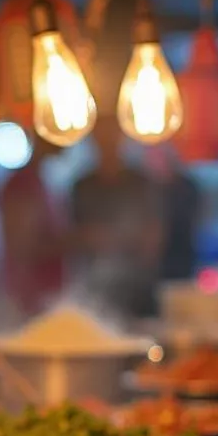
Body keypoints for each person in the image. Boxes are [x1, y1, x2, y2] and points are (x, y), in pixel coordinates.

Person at [69, 114, 163, 319]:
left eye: (113, 134)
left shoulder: (139, 182)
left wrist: (120, 240)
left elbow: (153, 237)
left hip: (138, 289)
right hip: (93, 289)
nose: (108, 141)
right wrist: (90, 239)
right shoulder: (83, 185)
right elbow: (72, 236)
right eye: (101, 135)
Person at [0, 138, 66, 325]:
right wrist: (78, 240)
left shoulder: (41, 181)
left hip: (43, 296)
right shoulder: (22, 184)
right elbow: (22, 245)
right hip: (26, 298)